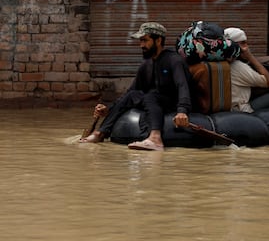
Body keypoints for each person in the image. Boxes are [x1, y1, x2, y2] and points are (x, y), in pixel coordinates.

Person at [79, 22, 192, 151]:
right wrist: (109, 109)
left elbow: (182, 86)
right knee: (132, 95)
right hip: (153, 102)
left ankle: (155, 138)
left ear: (158, 40)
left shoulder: (173, 60)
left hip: (172, 102)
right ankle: (99, 133)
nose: (141, 45)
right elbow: (132, 91)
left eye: (145, 40)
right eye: (140, 41)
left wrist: (182, 111)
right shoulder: (146, 64)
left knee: (151, 95)